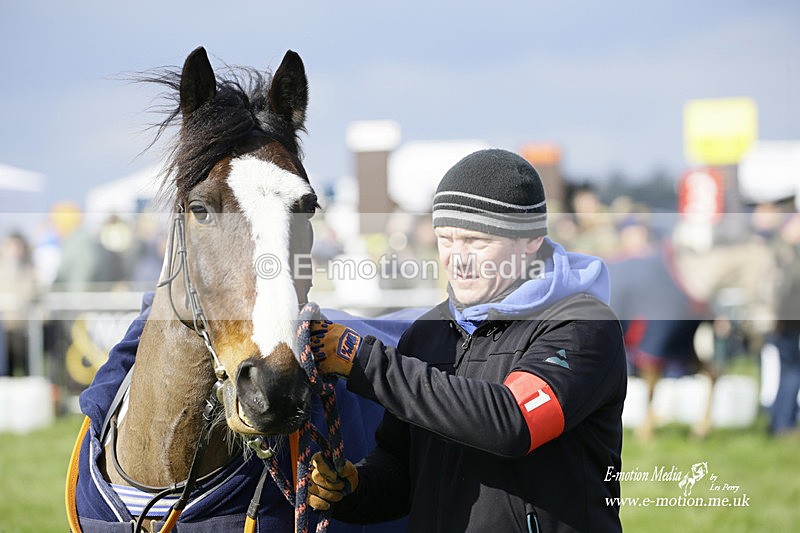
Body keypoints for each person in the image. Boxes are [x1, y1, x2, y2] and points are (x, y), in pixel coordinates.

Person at [307, 149, 627, 532]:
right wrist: (354, 489)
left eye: (475, 240)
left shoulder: (582, 323)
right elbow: (403, 469)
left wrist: (363, 362)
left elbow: (513, 422)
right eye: (446, 239)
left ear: (530, 239)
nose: (457, 259)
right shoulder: (427, 333)